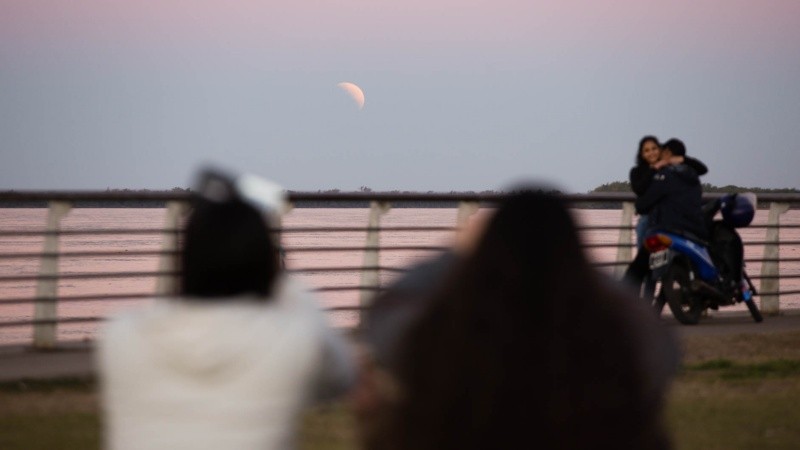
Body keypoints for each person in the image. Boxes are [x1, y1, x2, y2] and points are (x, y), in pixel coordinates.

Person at [359, 190, 679, 450]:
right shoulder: (619, 353)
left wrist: (459, 253)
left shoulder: (437, 351)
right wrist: (572, 266)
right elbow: (656, 339)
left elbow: (386, 313)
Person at [98, 168, 356, 450]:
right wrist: (288, 281)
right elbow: (340, 377)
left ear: (185, 260)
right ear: (265, 265)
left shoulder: (121, 337)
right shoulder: (291, 339)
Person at [626, 136, 708, 295]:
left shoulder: (671, 168)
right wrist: (654, 169)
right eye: (646, 150)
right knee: (645, 265)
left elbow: (701, 169)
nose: (651, 153)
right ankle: (635, 305)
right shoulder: (638, 171)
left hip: (667, 221)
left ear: (661, 150)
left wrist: (678, 159)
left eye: (654, 148)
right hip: (648, 221)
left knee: (658, 268)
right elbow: (640, 190)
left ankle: (647, 307)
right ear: (641, 154)